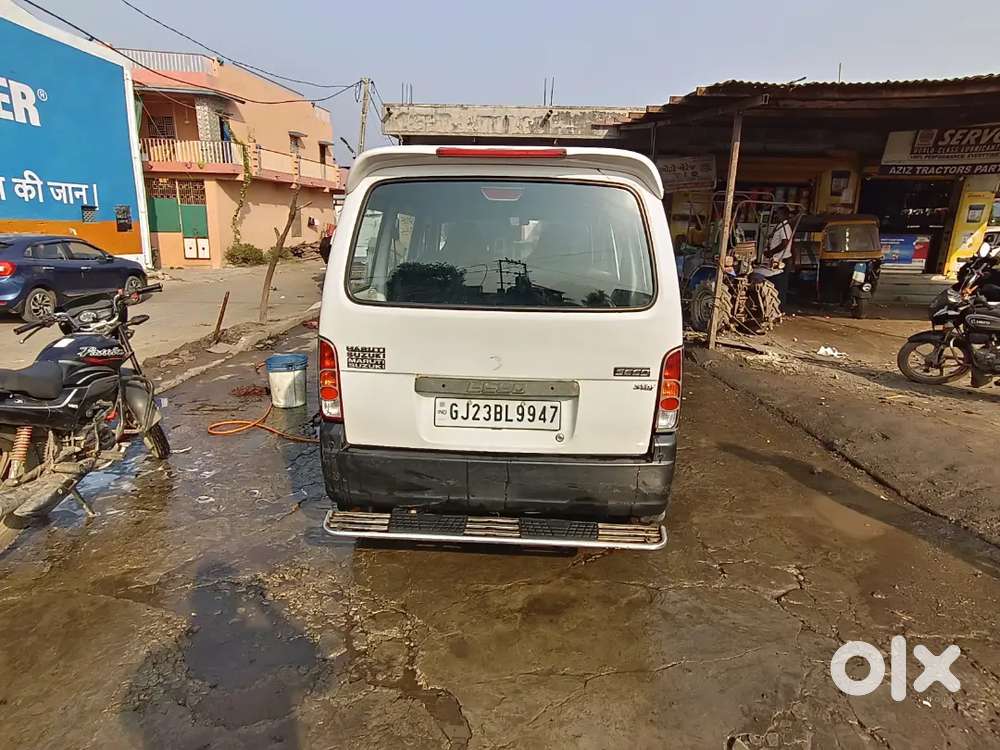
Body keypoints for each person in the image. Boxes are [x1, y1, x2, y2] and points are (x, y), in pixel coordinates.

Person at [753, 208, 794, 303]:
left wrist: (772, 252)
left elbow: (785, 243)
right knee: (777, 284)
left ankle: (779, 307)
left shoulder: (785, 226)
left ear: (784, 215)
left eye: (778, 214)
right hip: (776, 259)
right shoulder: (779, 226)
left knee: (780, 286)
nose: (776, 216)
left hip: (782, 260)